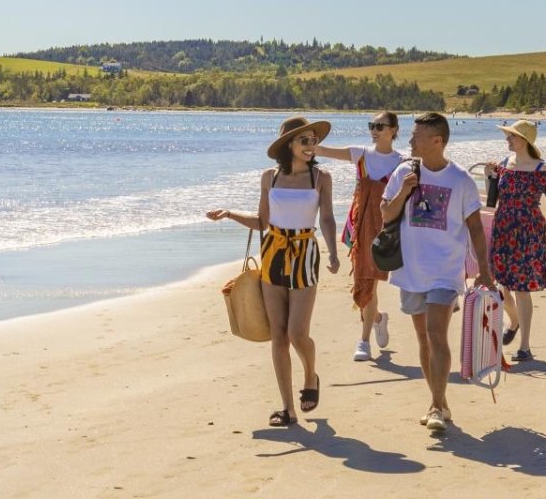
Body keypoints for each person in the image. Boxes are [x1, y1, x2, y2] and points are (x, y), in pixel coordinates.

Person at [206, 116, 341, 427]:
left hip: (305, 254)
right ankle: (288, 408)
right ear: (288, 145)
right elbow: (262, 222)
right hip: (274, 254)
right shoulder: (270, 177)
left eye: (312, 141)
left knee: (297, 333)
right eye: (304, 141)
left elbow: (328, 219)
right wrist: (229, 214)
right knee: (278, 335)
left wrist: (333, 252)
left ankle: (310, 375)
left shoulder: (321, 178)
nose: (311, 146)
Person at [380, 112, 494, 434]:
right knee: (422, 339)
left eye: (417, 135)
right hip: (411, 270)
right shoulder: (404, 171)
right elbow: (387, 214)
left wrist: (484, 271)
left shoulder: (460, 180)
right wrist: (404, 191)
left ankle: (434, 406)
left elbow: (475, 228)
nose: (410, 140)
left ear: (437, 141)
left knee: (435, 334)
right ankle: (440, 402)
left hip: (445, 272)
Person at [483, 120, 546, 362]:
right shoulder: (503, 165)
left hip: (529, 231)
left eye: (511, 137)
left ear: (524, 140)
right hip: (503, 228)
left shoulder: (542, 171)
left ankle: (524, 346)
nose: (507, 140)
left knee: (522, 289)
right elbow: (492, 200)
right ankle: (513, 322)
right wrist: (488, 177)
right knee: (502, 286)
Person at [316, 112, 402, 362]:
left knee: (369, 281)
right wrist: (304, 140)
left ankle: (363, 341)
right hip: (359, 228)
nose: (373, 130)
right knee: (363, 282)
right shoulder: (360, 154)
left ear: (393, 130)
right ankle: (376, 319)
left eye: (379, 126)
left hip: (385, 232)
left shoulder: (402, 162)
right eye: (371, 126)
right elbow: (323, 151)